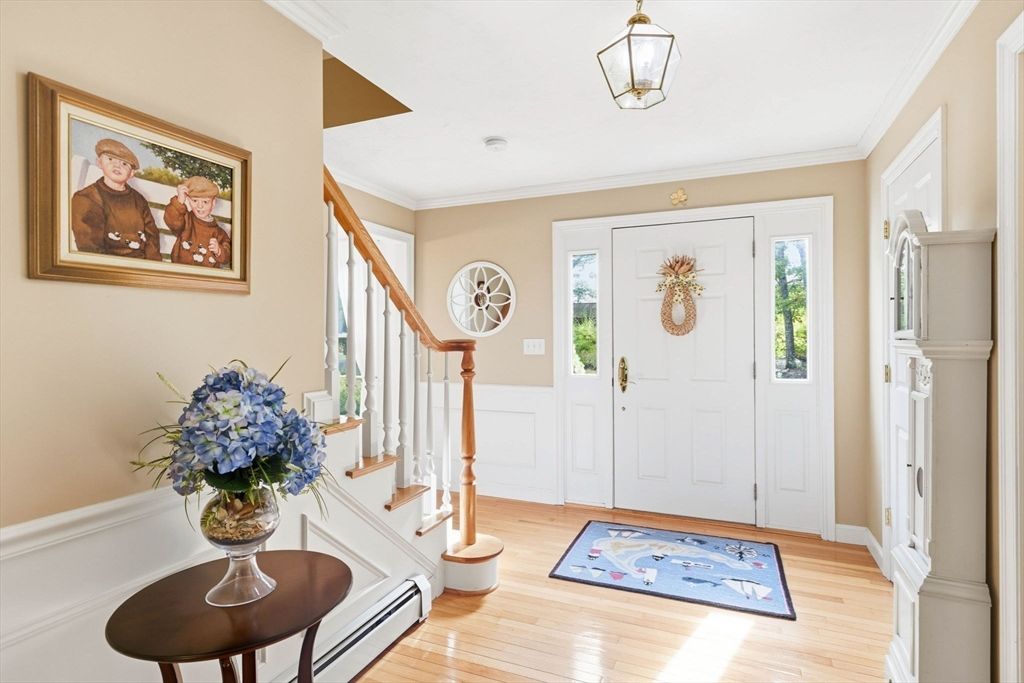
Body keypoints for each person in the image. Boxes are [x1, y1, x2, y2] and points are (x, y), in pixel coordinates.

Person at [70, 138, 161, 260]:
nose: (117, 165)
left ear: (132, 173)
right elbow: (89, 246)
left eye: (124, 163)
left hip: (140, 263)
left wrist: (152, 265)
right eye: (110, 159)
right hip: (109, 264)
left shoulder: (138, 200)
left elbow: (152, 235)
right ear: (99, 162)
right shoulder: (86, 198)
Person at [164, 176, 231, 268]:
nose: (200, 206)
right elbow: (172, 222)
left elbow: (227, 255)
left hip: (207, 277)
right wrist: (179, 201)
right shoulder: (185, 219)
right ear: (188, 200)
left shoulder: (219, 233)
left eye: (205, 202)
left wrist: (219, 250)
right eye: (195, 201)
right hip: (181, 271)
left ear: (213, 203)